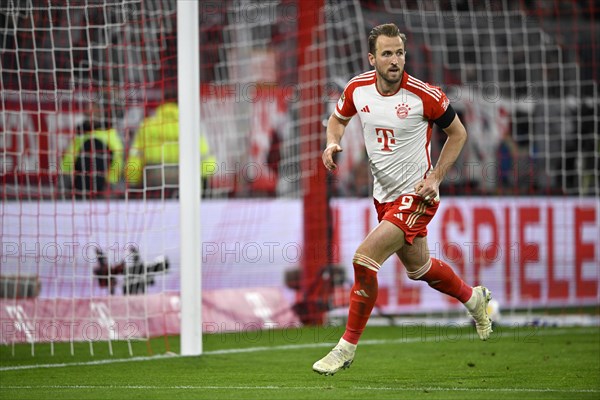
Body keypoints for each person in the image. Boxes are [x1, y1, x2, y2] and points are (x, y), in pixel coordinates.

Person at [312, 23, 493, 376]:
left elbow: (457, 133)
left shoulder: (424, 95)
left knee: (364, 259)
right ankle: (474, 298)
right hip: (384, 196)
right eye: (387, 54)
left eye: (399, 53)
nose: (395, 60)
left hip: (418, 196)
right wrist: (332, 142)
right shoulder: (357, 89)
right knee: (420, 268)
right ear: (372, 58)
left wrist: (436, 177)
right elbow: (336, 120)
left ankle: (345, 348)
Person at [126, 101, 216, 194]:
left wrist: (133, 182)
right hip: (187, 186)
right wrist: (202, 180)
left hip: (152, 186)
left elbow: (135, 158)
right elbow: (207, 161)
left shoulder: (146, 126)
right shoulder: (190, 126)